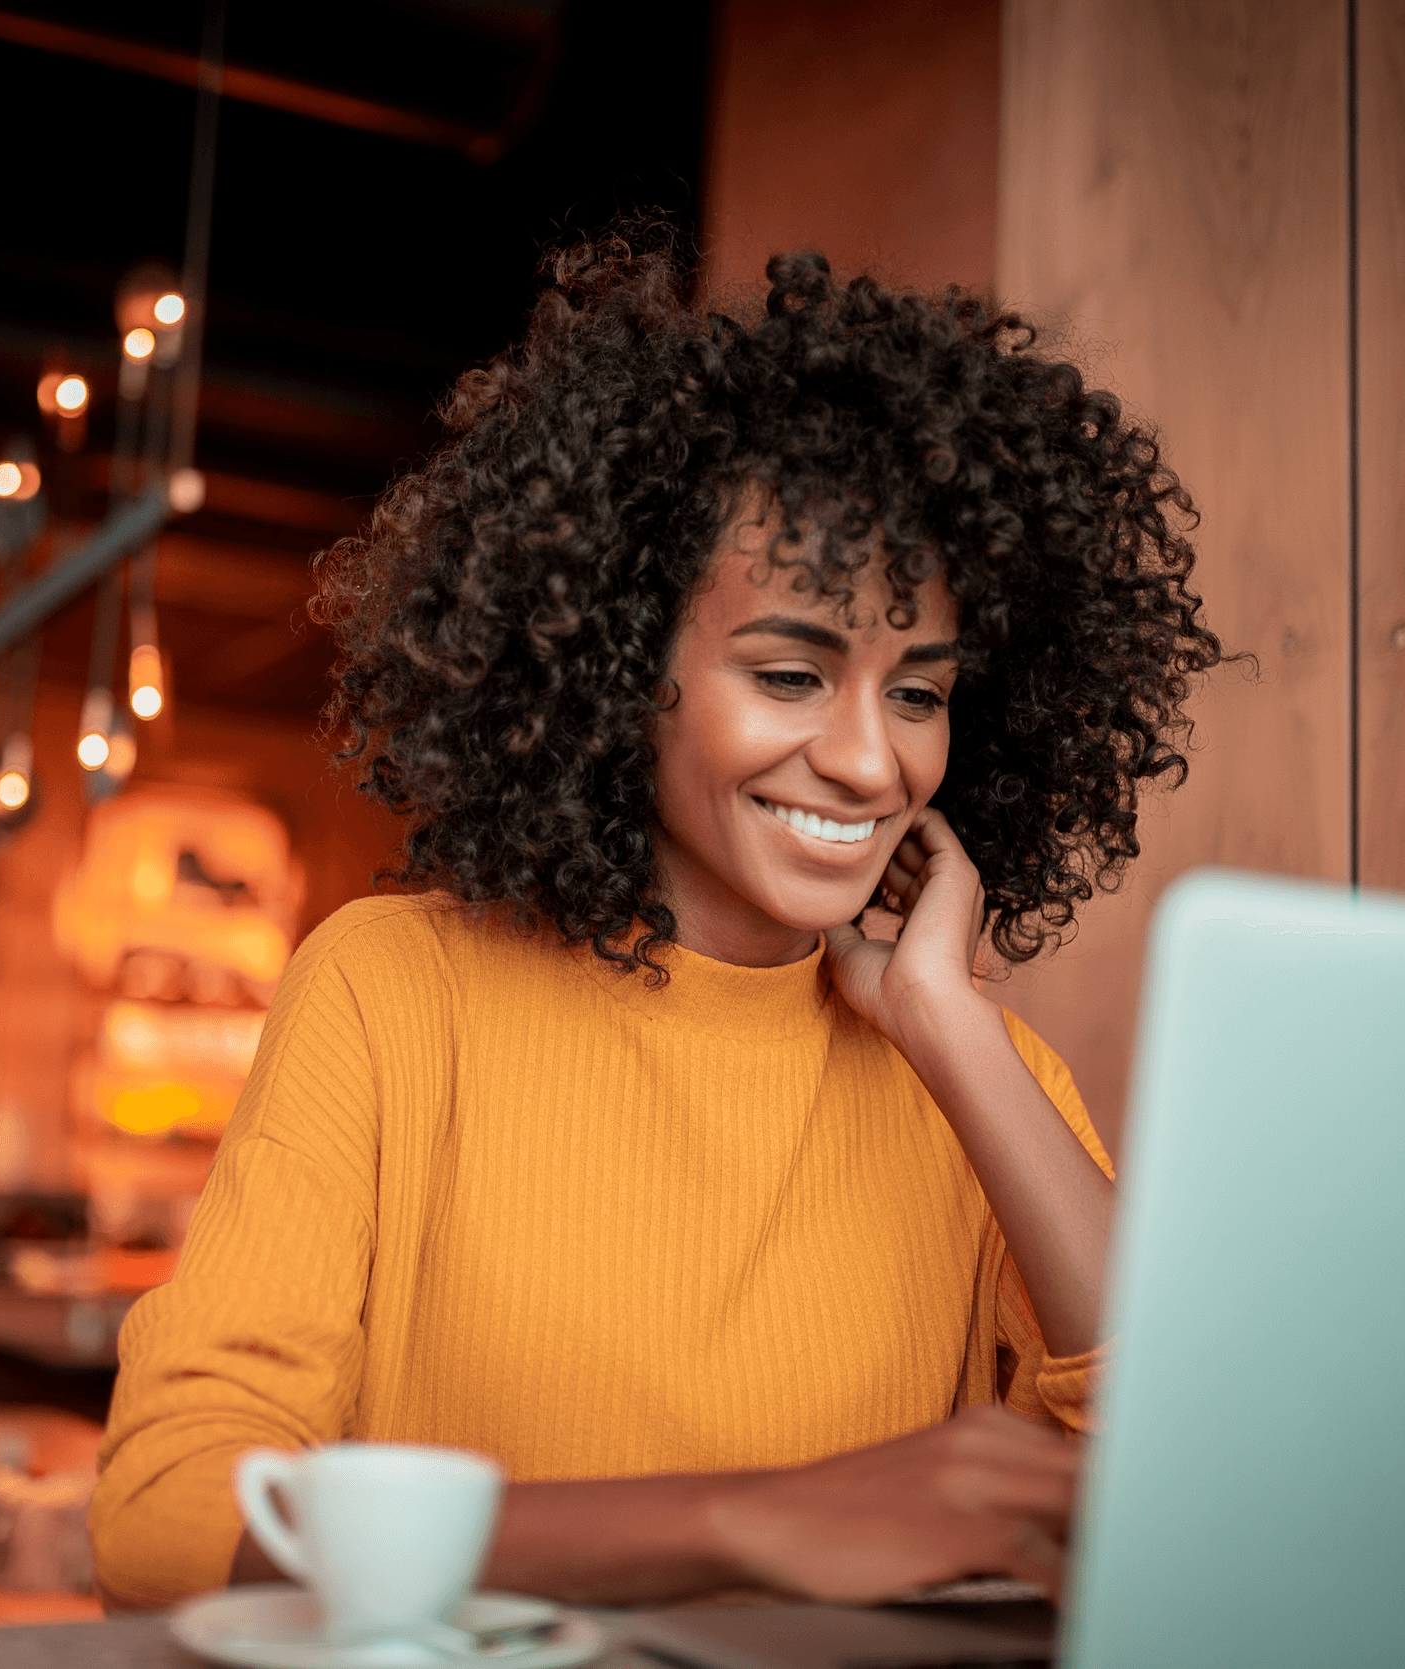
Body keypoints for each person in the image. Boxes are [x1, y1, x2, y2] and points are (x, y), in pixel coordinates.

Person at [91, 234, 1226, 1609]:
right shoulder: (397, 994)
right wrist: (743, 1522)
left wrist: (949, 1024)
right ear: (622, 664)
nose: (873, 764)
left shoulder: (976, 1078)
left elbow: (1183, 1497)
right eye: (793, 673)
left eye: (918, 693)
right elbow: (163, 1520)